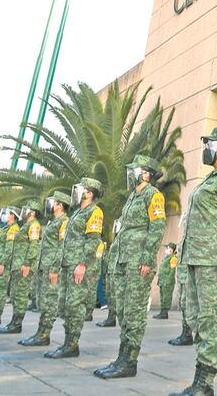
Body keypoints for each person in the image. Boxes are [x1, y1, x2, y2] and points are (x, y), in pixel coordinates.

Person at [168, 127, 217, 396]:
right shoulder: (210, 179)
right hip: (194, 258)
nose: (207, 147)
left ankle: (205, 383)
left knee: (211, 320)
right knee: (193, 316)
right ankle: (199, 379)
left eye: (211, 143)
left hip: (213, 261)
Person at [94, 155, 167, 379]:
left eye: (134, 169)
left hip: (138, 262)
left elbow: (157, 227)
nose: (130, 173)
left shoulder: (152, 194)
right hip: (123, 261)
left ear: (145, 173)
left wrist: (146, 259)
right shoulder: (132, 198)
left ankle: (130, 361)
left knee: (134, 312)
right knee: (124, 311)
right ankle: (122, 356)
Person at [45, 176, 104, 358]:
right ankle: (67, 342)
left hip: (79, 265)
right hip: (67, 264)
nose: (78, 191)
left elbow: (93, 240)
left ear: (90, 193)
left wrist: (82, 264)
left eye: (83, 189)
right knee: (65, 305)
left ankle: (72, 344)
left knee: (75, 305)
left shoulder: (94, 212)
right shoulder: (77, 212)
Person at [20, 193, 71, 346]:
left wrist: (55, 268)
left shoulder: (64, 221)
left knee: (49, 302)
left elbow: (62, 246)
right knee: (43, 301)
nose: (50, 205)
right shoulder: (52, 221)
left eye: (53, 202)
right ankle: (40, 332)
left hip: (52, 267)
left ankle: (44, 334)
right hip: (44, 266)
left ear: (60, 205)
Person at [0, 200, 41, 334]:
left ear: (32, 212)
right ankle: (13, 322)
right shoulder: (26, 225)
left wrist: (27, 263)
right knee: (16, 294)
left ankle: (16, 324)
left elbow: (34, 246)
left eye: (27, 209)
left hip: (23, 266)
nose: (24, 211)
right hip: (17, 265)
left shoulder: (34, 225)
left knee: (20, 295)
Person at [168, 241, 194, 346]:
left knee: (187, 305)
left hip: (187, 276)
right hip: (182, 276)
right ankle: (186, 333)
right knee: (183, 304)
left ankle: (188, 335)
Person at [97, 225, 119, 328]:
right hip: (111, 270)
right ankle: (111, 318)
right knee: (110, 295)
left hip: (116, 271)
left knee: (113, 295)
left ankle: (112, 318)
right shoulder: (116, 242)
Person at [155, 243, 178, 319]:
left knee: (166, 297)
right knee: (163, 296)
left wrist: (169, 280)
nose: (166, 250)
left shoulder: (173, 258)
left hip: (167, 281)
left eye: (167, 248)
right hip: (162, 280)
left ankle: (164, 313)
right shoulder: (166, 258)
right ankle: (162, 312)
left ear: (171, 250)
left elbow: (172, 271)